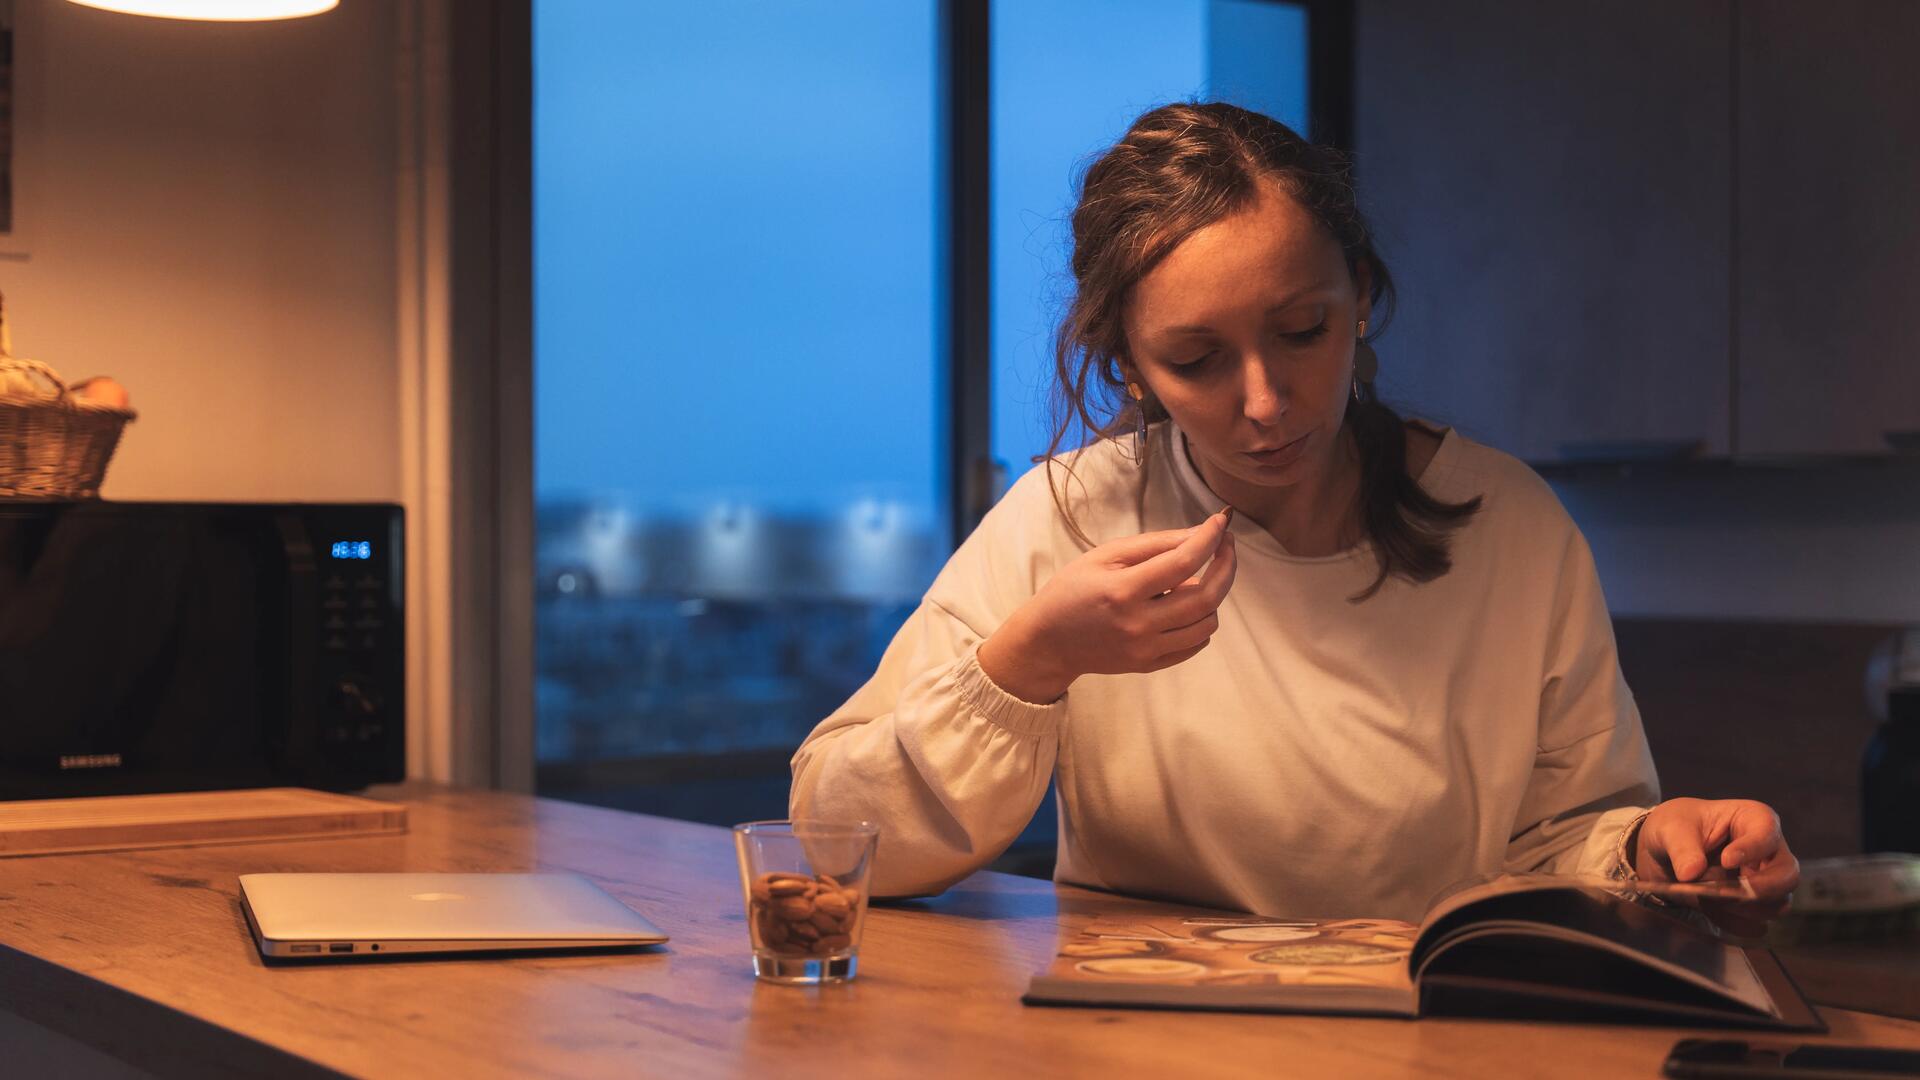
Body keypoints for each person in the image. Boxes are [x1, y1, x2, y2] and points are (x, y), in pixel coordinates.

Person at [790, 102, 1797, 932]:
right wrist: (1031, 662)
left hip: (1423, 1037)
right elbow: (837, 836)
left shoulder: (1509, 526)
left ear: (1359, 296)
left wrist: (1656, 842)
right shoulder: (1075, 516)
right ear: (1129, 367)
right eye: (1196, 360)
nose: (1266, 401)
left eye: (1301, 330)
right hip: (1133, 1037)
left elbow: (1565, 835)